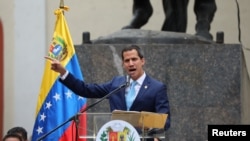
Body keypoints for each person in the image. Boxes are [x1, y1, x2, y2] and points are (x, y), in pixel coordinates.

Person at [45, 44, 170, 140]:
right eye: (127, 61)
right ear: (123, 64)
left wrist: (155, 137)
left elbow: (165, 120)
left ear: (142, 61)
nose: (131, 64)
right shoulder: (116, 84)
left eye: (134, 59)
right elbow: (85, 90)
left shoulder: (157, 88)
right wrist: (63, 72)